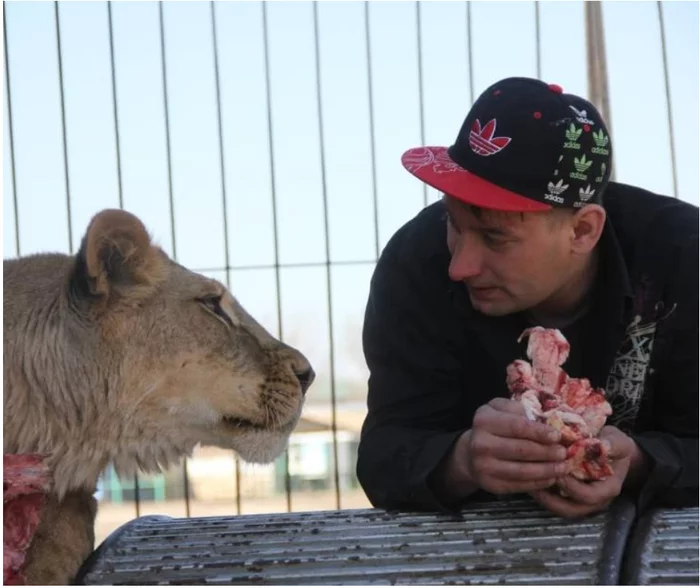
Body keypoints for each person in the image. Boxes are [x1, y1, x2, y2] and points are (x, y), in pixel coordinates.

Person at [356, 76, 698, 518]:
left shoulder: (684, 260)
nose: (459, 266)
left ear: (582, 230)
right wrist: (462, 460)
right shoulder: (416, 262)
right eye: (454, 224)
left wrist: (638, 463)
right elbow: (383, 455)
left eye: (495, 238)